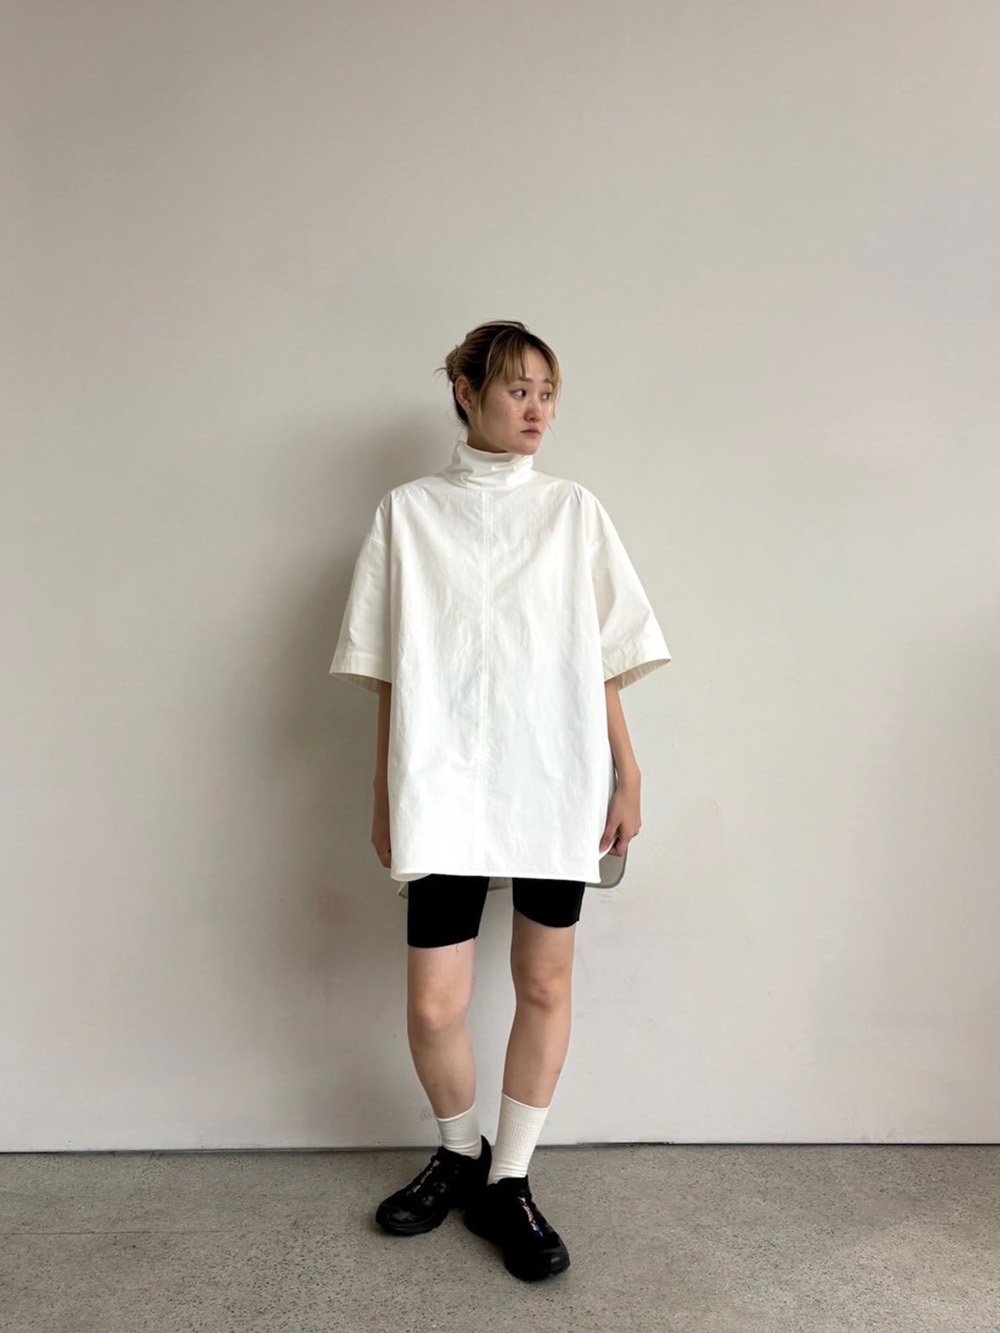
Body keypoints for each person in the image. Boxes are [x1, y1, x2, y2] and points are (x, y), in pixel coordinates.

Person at [329, 320, 671, 1282]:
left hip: (555, 771)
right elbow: (389, 668)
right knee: (434, 1001)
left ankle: (508, 1178)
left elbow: (601, 654)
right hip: (440, 774)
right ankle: (459, 1149)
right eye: (518, 389)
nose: (537, 409)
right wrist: (385, 784)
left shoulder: (571, 511)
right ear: (466, 392)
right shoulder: (407, 513)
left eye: (548, 392)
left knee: (545, 981)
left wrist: (628, 770)